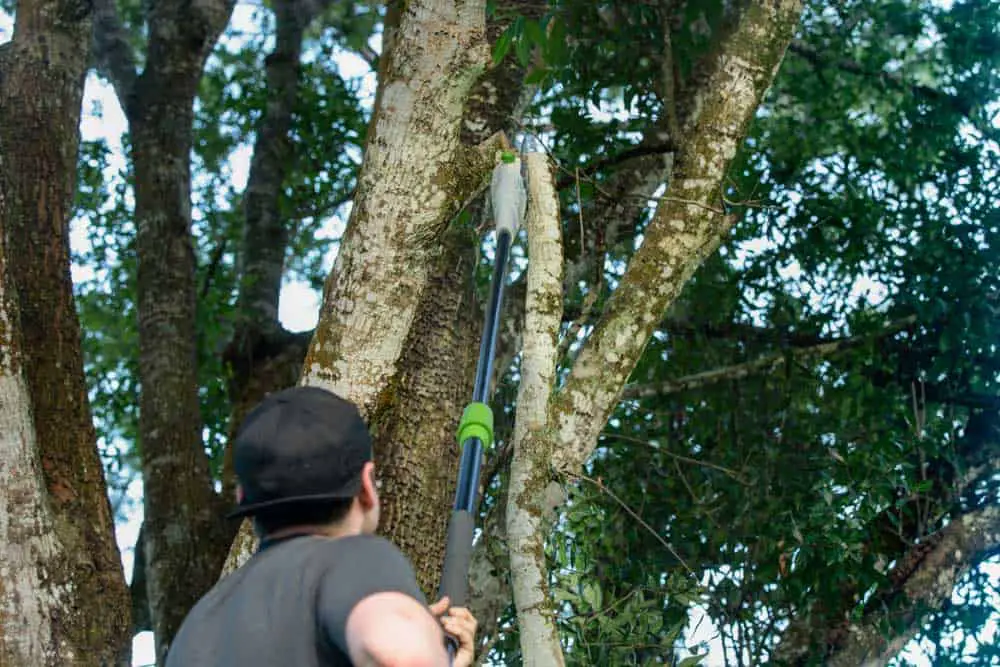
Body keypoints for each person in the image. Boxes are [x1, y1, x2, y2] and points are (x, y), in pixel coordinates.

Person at [166, 385, 478, 667]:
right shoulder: (352, 560)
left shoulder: (197, 625)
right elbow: (405, 658)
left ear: (243, 498)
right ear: (367, 486)